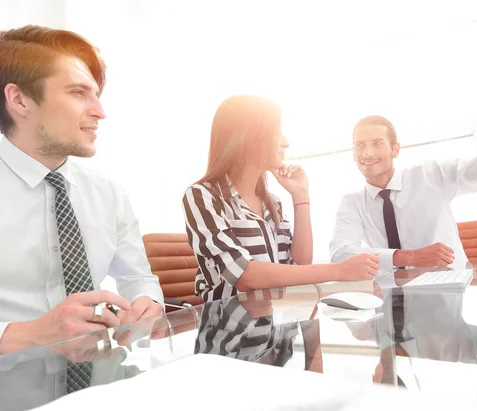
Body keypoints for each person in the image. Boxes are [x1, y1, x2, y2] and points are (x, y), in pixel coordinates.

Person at [0, 25, 164, 357]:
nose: (100, 112)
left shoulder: (109, 194)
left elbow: (138, 279)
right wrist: (26, 335)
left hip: (99, 386)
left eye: (97, 95)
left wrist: (146, 303)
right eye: (78, 93)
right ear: (19, 99)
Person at [182, 95, 379, 302]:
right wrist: (339, 271)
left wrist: (301, 197)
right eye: (277, 133)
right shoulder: (201, 197)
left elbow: (299, 265)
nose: (286, 142)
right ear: (247, 137)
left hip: (277, 322)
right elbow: (244, 274)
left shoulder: (271, 202)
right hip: (231, 328)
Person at [330, 115, 477, 268]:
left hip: (448, 294)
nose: (367, 153)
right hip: (391, 300)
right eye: (360, 146)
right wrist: (409, 257)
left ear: (395, 149)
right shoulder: (352, 203)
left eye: (377, 143)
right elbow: (341, 254)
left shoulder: (430, 176)